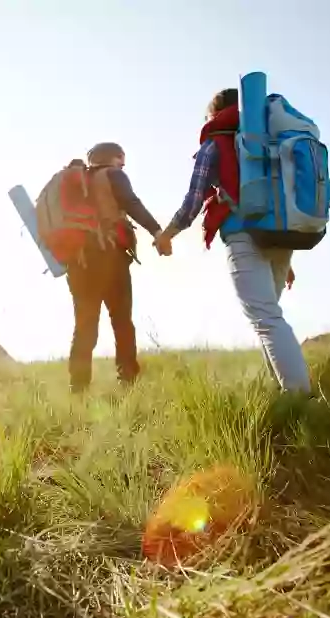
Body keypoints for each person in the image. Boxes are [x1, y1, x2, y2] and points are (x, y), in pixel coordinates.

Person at [153, 88, 313, 393]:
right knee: (268, 318)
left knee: (266, 319)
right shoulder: (269, 142)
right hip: (281, 237)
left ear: (213, 114)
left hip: (243, 235)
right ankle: (284, 391)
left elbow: (193, 200)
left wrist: (167, 234)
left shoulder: (215, 142)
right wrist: (285, 260)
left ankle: (300, 398)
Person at [67, 142, 163, 394]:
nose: (124, 163)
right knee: (121, 320)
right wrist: (156, 230)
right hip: (109, 258)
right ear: (114, 158)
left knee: (84, 325)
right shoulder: (113, 174)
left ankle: (78, 389)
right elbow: (132, 203)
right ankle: (127, 381)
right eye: (122, 158)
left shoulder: (77, 184)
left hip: (78, 262)